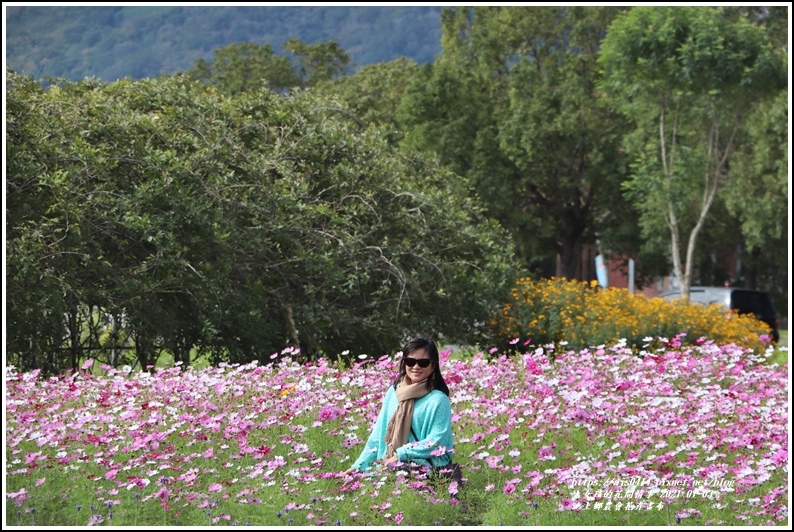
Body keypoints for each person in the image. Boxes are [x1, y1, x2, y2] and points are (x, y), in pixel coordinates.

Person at [346, 337, 455, 475]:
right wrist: (359, 466)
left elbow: (437, 440)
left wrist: (401, 455)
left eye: (423, 362)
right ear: (404, 363)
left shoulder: (438, 400)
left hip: (426, 470)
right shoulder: (394, 392)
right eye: (410, 361)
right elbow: (378, 435)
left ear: (433, 365)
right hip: (389, 466)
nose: (416, 367)